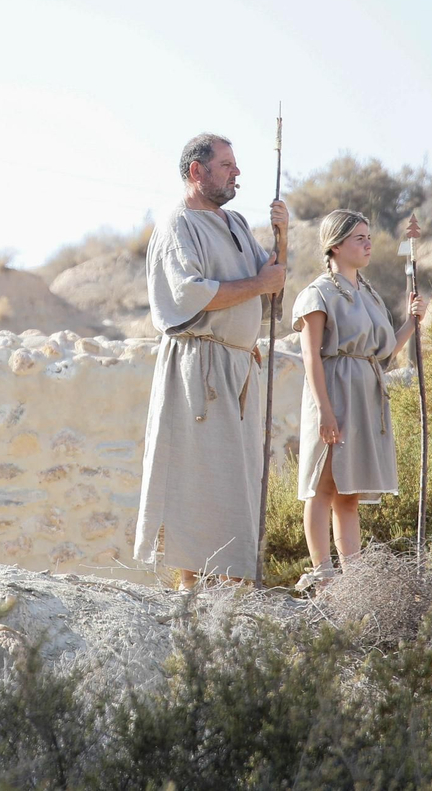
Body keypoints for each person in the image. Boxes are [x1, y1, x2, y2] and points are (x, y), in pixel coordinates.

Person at [133, 132, 288, 588]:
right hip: (198, 366)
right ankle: (191, 589)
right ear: (196, 171)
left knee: (236, 481)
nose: (236, 172)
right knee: (196, 476)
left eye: (235, 165)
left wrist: (284, 235)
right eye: (226, 165)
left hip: (239, 368)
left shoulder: (237, 223)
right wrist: (260, 285)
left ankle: (231, 587)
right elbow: (190, 294)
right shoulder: (177, 224)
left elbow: (272, 281)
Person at [290, 209, 426, 589]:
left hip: (367, 391)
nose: (368, 244)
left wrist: (412, 323)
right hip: (334, 389)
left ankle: (354, 581)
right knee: (324, 485)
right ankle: (324, 576)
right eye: (359, 238)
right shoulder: (317, 294)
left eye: (369, 237)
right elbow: (310, 356)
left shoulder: (368, 294)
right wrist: (324, 411)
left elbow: (382, 353)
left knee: (349, 491)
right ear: (335, 246)